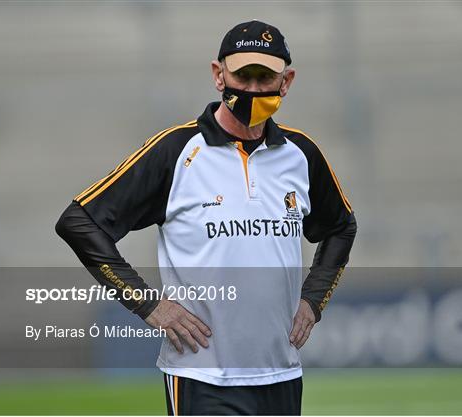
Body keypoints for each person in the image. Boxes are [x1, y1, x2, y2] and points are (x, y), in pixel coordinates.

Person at [56, 20, 357, 416]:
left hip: (280, 375)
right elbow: (78, 222)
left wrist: (314, 300)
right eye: (242, 74)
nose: (251, 87)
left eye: (264, 76)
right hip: (201, 378)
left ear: (286, 81)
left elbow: (340, 226)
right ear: (219, 75)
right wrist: (148, 304)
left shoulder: (301, 154)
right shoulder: (177, 150)